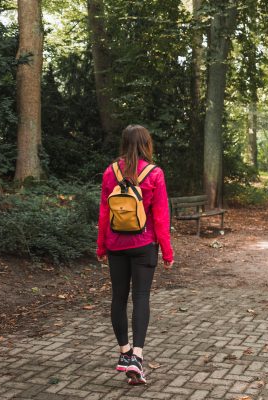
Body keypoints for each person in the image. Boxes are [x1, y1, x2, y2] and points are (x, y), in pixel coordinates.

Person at [96, 124, 174, 385]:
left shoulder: (111, 172)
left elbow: (105, 213)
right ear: (146, 144)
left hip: (116, 244)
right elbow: (161, 217)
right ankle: (137, 358)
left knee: (118, 297)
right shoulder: (155, 173)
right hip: (144, 245)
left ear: (124, 143)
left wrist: (101, 246)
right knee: (141, 296)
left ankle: (124, 352)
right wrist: (167, 251)